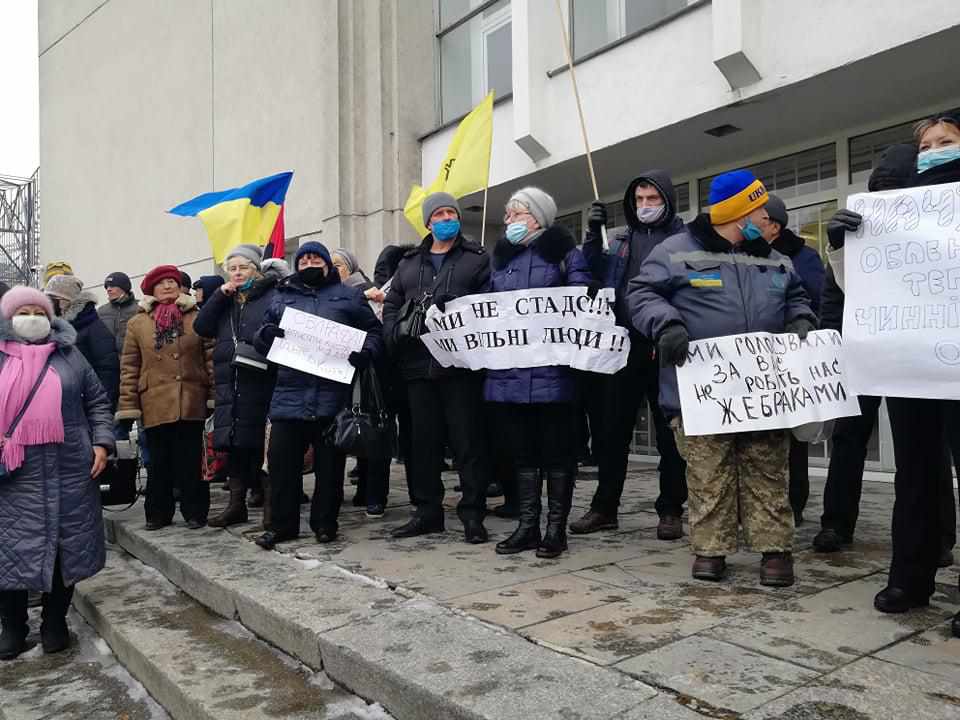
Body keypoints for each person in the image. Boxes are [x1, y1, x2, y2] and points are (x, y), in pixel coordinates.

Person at [628, 169, 816, 586]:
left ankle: (775, 552)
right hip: (702, 394)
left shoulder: (770, 254)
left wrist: (801, 318)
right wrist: (667, 324)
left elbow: (796, 295)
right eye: (757, 208)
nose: (764, 216)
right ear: (736, 212)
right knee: (708, 475)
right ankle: (711, 551)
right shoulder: (674, 251)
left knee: (767, 471)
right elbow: (640, 295)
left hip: (762, 388)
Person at [826, 115, 960, 636]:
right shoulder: (895, 211)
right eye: (924, 145)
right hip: (913, 365)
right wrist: (844, 247)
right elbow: (859, 289)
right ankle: (910, 576)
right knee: (917, 473)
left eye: (945, 142)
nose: (932, 151)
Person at [572, 171, 689, 541]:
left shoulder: (684, 241)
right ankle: (605, 507)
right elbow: (591, 273)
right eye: (638, 200)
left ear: (667, 200)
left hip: (668, 348)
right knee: (611, 433)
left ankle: (671, 509)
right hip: (624, 349)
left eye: (652, 199)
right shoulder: (620, 241)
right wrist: (592, 236)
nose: (645, 207)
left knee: (672, 437)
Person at [0, 287, 114, 660]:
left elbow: (96, 401)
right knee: (10, 550)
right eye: (24, 311)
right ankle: (13, 627)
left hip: (70, 467)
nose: (32, 317)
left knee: (66, 549)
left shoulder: (70, 354)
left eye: (39, 311)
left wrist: (102, 443)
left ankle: (54, 621)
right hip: (13, 472)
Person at [813, 144, 915, 555]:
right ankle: (836, 523)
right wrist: (838, 249)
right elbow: (834, 298)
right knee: (849, 437)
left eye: (895, 188)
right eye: (879, 190)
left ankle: (936, 534)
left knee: (920, 445)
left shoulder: (936, 231)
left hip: (915, 354)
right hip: (862, 352)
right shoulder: (853, 233)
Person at [252, 242, 383, 549]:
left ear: (327, 265)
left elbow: (374, 332)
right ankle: (282, 526)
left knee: (330, 470)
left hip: (332, 397)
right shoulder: (281, 298)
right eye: (304, 259)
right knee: (282, 468)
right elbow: (260, 335)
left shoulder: (349, 297)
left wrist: (366, 352)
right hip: (288, 396)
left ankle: (325, 524)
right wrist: (265, 337)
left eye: (316, 259)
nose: (310, 263)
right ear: (297, 266)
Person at [486, 188, 592, 558]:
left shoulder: (565, 254)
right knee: (523, 454)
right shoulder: (501, 260)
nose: (508, 221)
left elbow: (580, 298)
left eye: (516, 214)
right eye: (508, 215)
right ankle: (527, 526)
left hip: (554, 374)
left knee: (558, 454)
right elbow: (485, 306)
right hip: (511, 376)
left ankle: (555, 530)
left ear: (538, 217)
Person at [382, 192, 492, 543]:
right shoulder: (409, 263)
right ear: (428, 222)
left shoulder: (477, 259)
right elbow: (391, 303)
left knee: (467, 443)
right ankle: (427, 511)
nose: (447, 218)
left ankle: (473, 514)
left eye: (451, 213)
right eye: (439, 214)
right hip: (417, 367)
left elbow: (489, 304)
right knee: (422, 445)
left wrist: (459, 310)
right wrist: (392, 333)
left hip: (460, 367)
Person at [116, 265, 214, 530]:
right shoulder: (138, 323)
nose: (168, 287)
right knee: (158, 462)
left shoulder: (198, 317)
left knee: (191, 460)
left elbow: (210, 359)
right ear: (151, 290)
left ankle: (195, 512)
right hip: (154, 401)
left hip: (191, 397)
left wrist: (214, 396)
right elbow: (129, 367)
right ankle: (157, 514)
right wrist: (128, 406)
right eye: (162, 284)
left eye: (172, 282)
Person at [194, 245, 279, 527]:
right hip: (230, 383)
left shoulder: (271, 296)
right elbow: (202, 326)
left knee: (262, 447)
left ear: (256, 269)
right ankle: (235, 505)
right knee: (233, 445)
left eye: (244, 267)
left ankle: (270, 507)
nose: (238, 273)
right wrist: (219, 295)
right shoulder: (226, 300)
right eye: (232, 268)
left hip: (260, 381)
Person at [762, 195, 826, 525]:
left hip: (793, 360)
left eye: (756, 220)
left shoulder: (804, 257)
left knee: (794, 442)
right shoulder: (746, 256)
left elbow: (816, 301)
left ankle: (794, 504)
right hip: (757, 364)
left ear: (774, 226)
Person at [45, 274, 121, 411]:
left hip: (88, 410)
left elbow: (108, 372)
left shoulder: (94, 328)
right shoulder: (53, 329)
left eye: (51, 300)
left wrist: (101, 410)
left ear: (64, 302)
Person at [98, 272, 139, 355]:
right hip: (111, 362)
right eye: (107, 287)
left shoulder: (140, 308)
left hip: (136, 360)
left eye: (112, 286)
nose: (108, 289)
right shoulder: (101, 311)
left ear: (124, 287)